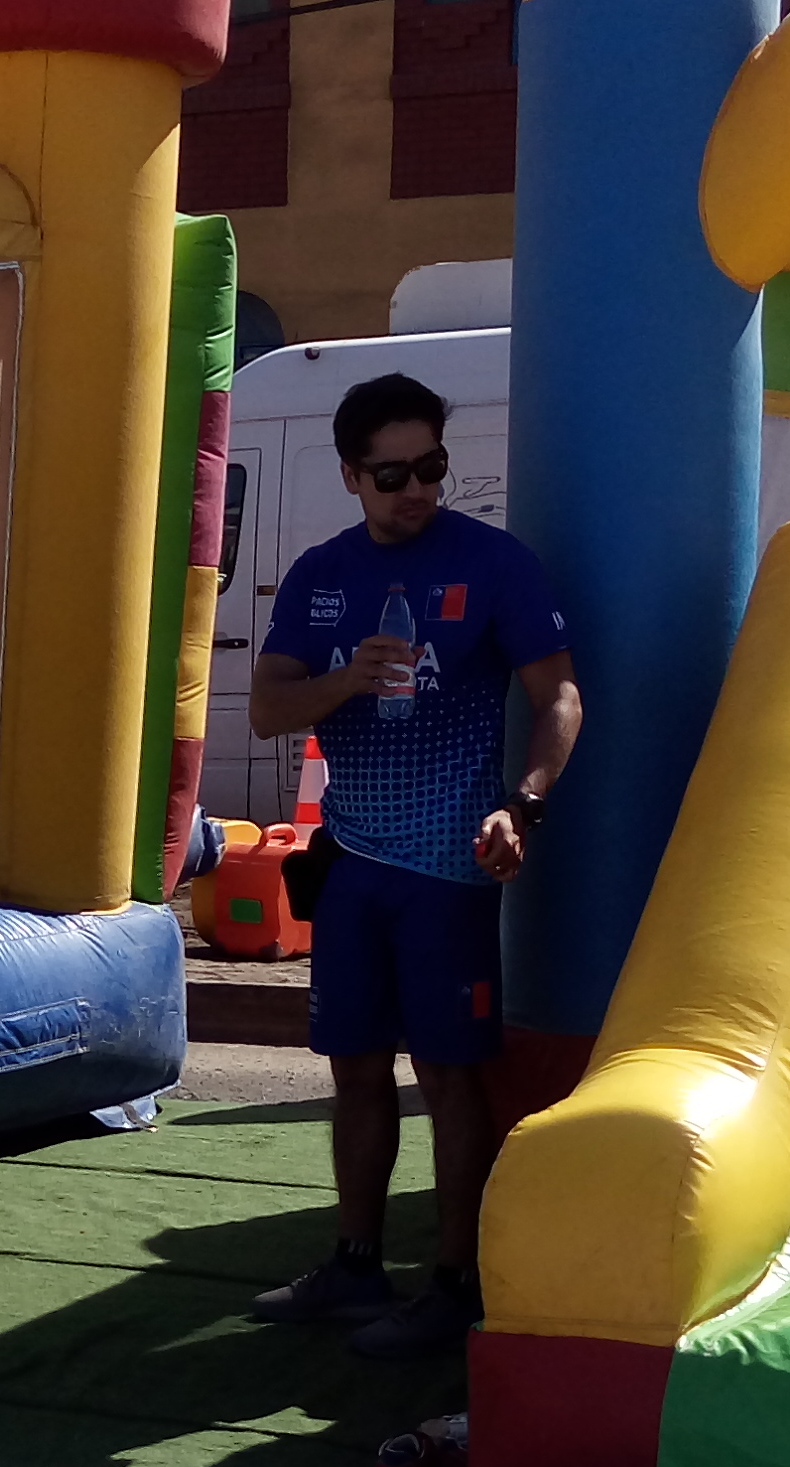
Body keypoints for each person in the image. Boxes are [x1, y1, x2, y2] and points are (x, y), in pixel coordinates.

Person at [245, 373, 582, 1358]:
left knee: (447, 1073)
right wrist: (345, 679)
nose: (416, 490)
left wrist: (524, 803)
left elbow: (560, 698)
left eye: (430, 467)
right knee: (353, 1064)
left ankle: (453, 1282)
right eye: (390, 474)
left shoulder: (493, 562)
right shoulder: (320, 573)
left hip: (448, 865)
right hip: (353, 862)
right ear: (350, 474)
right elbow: (265, 709)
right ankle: (355, 1264)